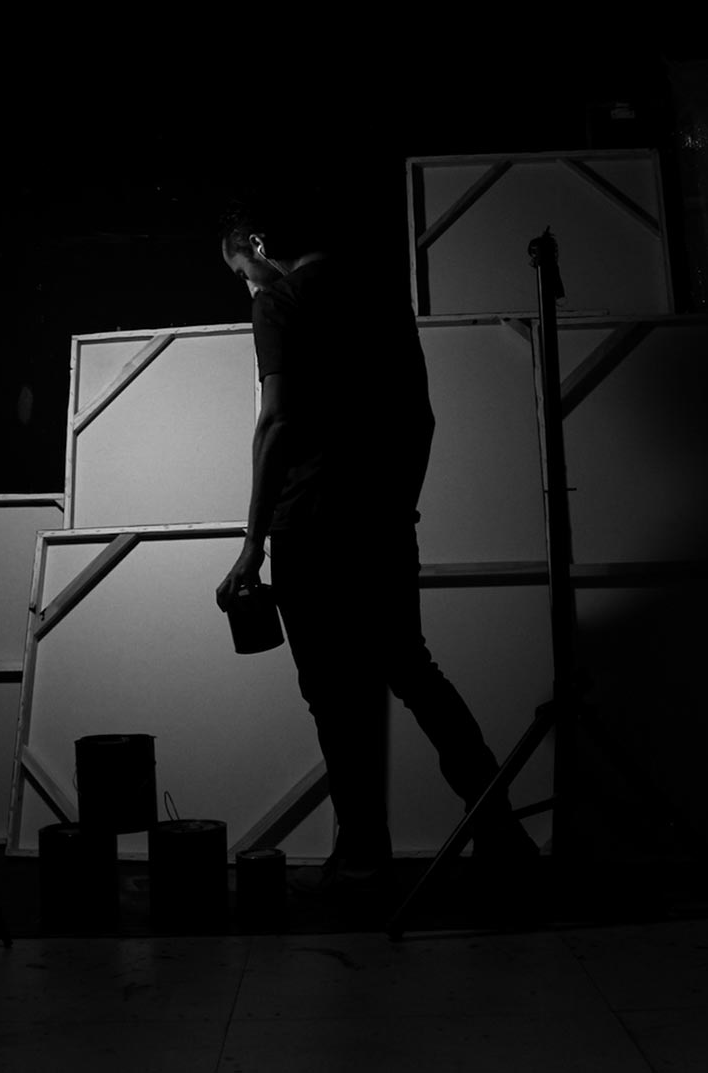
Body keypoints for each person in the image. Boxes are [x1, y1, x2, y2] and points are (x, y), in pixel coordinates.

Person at [215, 192, 537, 896]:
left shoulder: (281, 302)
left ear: (260, 246)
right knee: (413, 672)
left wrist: (251, 544)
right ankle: (500, 830)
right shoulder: (383, 296)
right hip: (384, 524)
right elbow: (422, 417)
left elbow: (277, 423)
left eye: (243, 271)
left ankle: (364, 856)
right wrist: (396, 505)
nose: (248, 287)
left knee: (333, 696)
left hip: (309, 526)